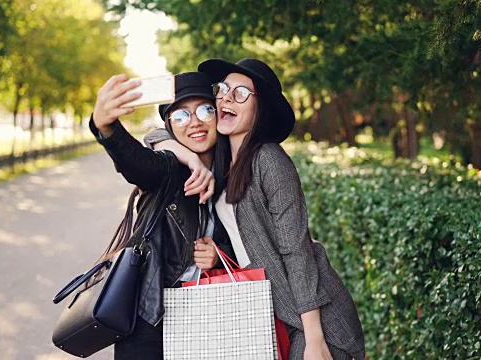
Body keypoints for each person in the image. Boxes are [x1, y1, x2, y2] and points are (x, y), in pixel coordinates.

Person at [150, 58, 365, 359]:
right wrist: (190, 158)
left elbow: (297, 249)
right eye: (223, 90)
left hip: (311, 319)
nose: (226, 97)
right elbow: (155, 136)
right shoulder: (223, 162)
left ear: (259, 108)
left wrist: (315, 338)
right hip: (269, 310)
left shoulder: (269, 160)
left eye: (240, 93)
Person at [89, 71, 237, 360]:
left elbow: (247, 240)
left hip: (210, 315)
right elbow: (137, 163)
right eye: (180, 116)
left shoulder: (233, 172)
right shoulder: (167, 170)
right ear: (170, 125)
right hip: (151, 316)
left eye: (205, 110)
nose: (194, 122)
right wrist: (106, 127)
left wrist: (218, 254)